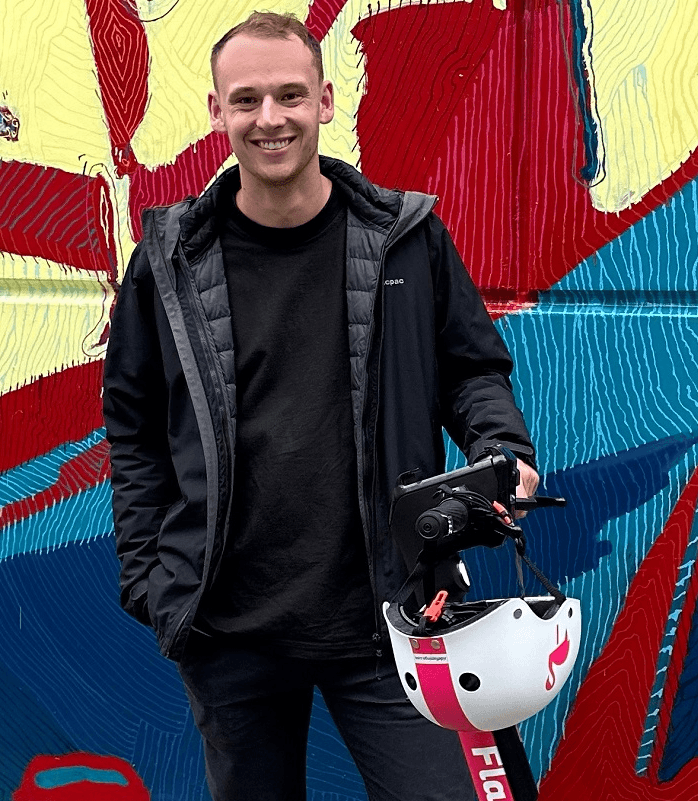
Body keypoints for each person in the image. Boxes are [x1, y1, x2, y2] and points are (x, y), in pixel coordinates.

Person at [102, 11, 540, 801]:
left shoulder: (407, 238)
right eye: (246, 100)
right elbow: (133, 426)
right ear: (215, 112)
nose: (269, 118)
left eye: (290, 95)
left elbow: (471, 370)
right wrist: (150, 579)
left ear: (327, 101)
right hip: (229, 630)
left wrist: (503, 451)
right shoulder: (167, 261)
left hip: (397, 615)